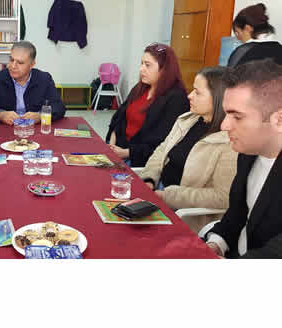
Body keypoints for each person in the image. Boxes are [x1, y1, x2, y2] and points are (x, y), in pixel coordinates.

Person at [139, 67, 238, 232]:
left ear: (218, 98)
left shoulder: (229, 142)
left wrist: (167, 196)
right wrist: (149, 179)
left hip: (182, 212)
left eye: (197, 93)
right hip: (156, 193)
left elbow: (222, 197)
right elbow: (162, 151)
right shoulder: (187, 120)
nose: (189, 96)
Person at [205, 60, 282, 258]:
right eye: (226, 114)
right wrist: (216, 244)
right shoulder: (248, 153)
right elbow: (237, 214)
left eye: (237, 117)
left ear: (279, 120)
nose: (224, 126)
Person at [105, 43, 189, 167]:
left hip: (141, 161)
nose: (141, 69)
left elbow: (163, 142)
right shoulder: (140, 88)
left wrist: (126, 153)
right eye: (142, 63)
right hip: (118, 150)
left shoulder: (176, 98)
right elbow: (119, 118)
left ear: (164, 69)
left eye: (148, 65)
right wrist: (112, 145)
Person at [0, 41, 66, 125]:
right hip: (6, 129)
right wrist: (0, 115)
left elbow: (59, 107)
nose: (13, 66)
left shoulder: (44, 79)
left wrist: (40, 116)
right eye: (11, 60)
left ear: (32, 64)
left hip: (34, 129)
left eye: (20, 63)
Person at [228, 3, 282, 67]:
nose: (238, 38)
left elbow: (229, 73)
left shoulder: (242, 52)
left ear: (248, 28)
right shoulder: (279, 49)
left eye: (237, 33)